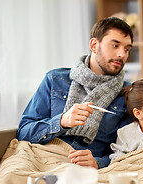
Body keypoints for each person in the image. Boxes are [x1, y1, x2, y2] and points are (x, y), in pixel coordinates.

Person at [17, 17, 134, 169]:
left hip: (87, 169)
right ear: (94, 45)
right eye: (115, 45)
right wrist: (61, 121)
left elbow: (129, 148)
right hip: (44, 157)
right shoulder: (55, 79)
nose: (122, 55)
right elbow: (23, 133)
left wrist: (98, 163)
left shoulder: (127, 94)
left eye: (127, 49)